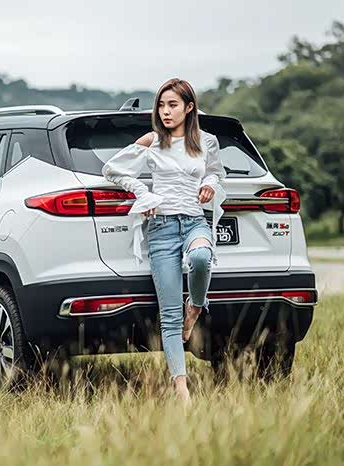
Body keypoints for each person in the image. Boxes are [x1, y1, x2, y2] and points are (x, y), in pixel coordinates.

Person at [101, 78, 227, 403]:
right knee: (169, 316)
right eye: (161, 105)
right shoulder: (152, 141)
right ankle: (182, 389)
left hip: (194, 222)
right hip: (161, 229)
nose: (165, 111)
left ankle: (195, 306)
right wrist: (142, 192)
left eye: (172, 105)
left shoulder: (206, 142)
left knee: (201, 259)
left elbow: (215, 171)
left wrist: (210, 184)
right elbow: (112, 169)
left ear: (189, 107)